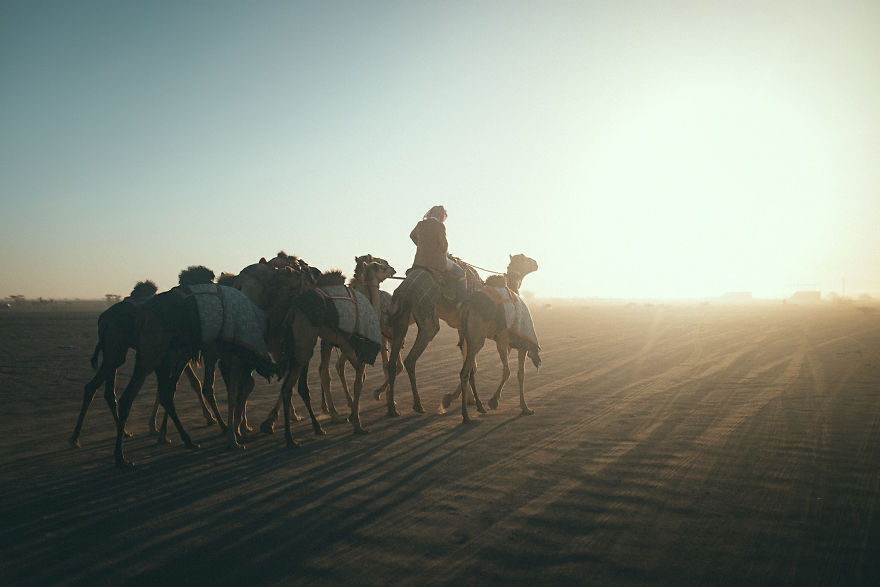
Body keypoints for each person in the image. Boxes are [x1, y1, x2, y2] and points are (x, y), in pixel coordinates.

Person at [409, 205, 466, 307]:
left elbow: (412, 235)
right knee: (461, 273)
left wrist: (422, 246)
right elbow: (444, 245)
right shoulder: (439, 225)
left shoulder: (420, 224)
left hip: (419, 262)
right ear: (442, 216)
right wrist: (443, 253)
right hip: (437, 262)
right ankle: (462, 302)